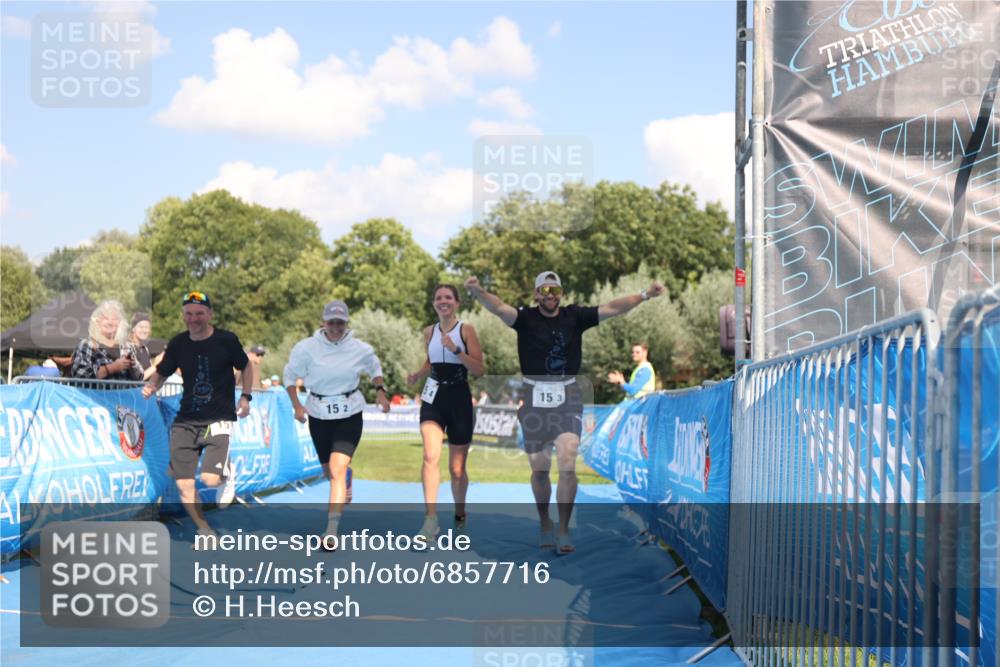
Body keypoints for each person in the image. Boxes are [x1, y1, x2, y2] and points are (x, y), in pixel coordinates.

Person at [466, 270, 665, 553]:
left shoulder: (575, 316)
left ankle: (562, 530)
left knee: (568, 460)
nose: (550, 295)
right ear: (536, 294)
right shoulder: (525, 319)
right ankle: (545, 522)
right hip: (534, 396)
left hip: (567, 396)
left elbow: (613, 308)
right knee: (539, 470)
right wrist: (477, 291)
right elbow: (499, 307)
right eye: (544, 291)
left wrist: (644, 295)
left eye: (555, 290)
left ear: (561, 293)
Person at [141, 291, 253, 538]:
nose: (194, 318)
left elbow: (246, 366)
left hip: (218, 419)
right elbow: (162, 370)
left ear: (210, 314)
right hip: (186, 422)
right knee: (183, 484)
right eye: (189, 314)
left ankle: (225, 470)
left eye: (200, 313)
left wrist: (246, 396)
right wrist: (152, 386)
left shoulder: (226, 340)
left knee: (211, 480)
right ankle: (204, 529)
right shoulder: (179, 343)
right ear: (183, 316)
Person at [284, 300, 390, 544]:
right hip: (319, 413)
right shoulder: (306, 348)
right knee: (329, 472)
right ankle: (345, 478)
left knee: (336, 468)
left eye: (340, 323)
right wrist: (297, 405)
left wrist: (381, 391)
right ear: (323, 322)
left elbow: (374, 367)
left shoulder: (359, 348)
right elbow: (289, 376)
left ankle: (331, 531)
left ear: (346, 323)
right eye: (331, 322)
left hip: (349, 412)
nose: (335, 327)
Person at [406, 284, 484, 538]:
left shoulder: (466, 330)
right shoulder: (428, 331)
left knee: (457, 469)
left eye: (448, 297)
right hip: (434, 398)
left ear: (457, 303)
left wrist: (456, 350)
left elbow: (478, 370)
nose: (443, 301)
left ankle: (460, 515)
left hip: (459, 398)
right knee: (430, 456)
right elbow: (432, 360)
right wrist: (419, 373)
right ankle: (430, 520)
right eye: (439, 297)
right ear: (434, 303)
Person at [70, 300, 142, 381]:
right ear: (97, 321)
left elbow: (140, 377)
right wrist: (113, 367)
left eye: (115, 319)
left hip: (123, 393)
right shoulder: (87, 344)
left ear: (120, 323)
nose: (110, 322)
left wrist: (133, 366)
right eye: (105, 318)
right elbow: (80, 375)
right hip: (95, 393)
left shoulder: (127, 346)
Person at [127, 312, 163, 381]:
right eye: (141, 327)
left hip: (145, 390)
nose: (144, 330)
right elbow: (139, 377)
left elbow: (149, 373)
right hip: (132, 390)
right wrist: (156, 364)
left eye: (147, 327)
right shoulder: (128, 348)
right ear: (133, 329)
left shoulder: (145, 349)